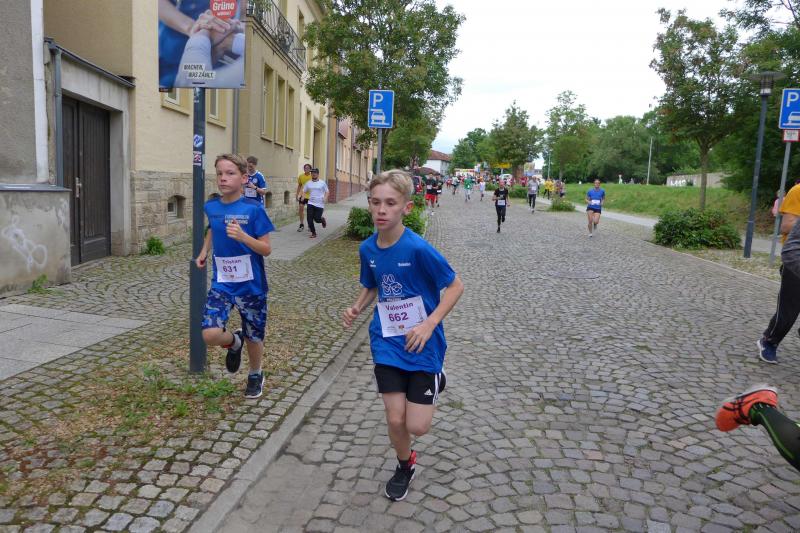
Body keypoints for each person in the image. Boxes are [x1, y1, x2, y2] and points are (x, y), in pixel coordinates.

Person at [342, 170, 464, 502]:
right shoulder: (368, 248)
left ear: (406, 208)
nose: (381, 210)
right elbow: (372, 284)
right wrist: (357, 307)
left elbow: (455, 286)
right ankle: (404, 464)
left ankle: (437, 378)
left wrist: (429, 324)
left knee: (417, 426)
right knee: (395, 419)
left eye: (390, 203)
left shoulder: (418, 249)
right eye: (375, 202)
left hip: (422, 343)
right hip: (387, 342)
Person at [194, 154, 274, 399]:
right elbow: (213, 228)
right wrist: (204, 251)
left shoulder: (254, 210)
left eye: (230, 173)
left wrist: (244, 237)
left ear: (243, 178)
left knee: (254, 336)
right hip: (223, 284)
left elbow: (266, 249)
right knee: (209, 333)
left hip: (251, 286)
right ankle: (234, 343)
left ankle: (255, 373)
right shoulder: (212, 207)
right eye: (220, 173)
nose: (223, 178)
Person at [757, 182, 800, 363]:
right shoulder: (798, 191)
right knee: (789, 311)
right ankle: (769, 341)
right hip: (796, 260)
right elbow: (786, 226)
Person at [302, 168, 329, 239]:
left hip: (320, 204)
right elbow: (304, 191)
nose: (313, 174)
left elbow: (327, 191)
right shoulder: (308, 183)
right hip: (311, 203)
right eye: (312, 173)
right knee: (309, 219)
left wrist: (325, 198)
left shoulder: (322, 183)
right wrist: (303, 196)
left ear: (318, 174)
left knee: (317, 219)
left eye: (315, 173)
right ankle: (313, 233)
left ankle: (322, 220)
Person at [296, 164, 312, 232]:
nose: (306, 169)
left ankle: (310, 225)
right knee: (301, 208)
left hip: (310, 196)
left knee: (310, 211)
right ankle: (301, 224)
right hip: (302, 195)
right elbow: (299, 185)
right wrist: (297, 194)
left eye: (308, 168)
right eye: (305, 168)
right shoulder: (301, 176)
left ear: (310, 169)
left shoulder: (312, 176)